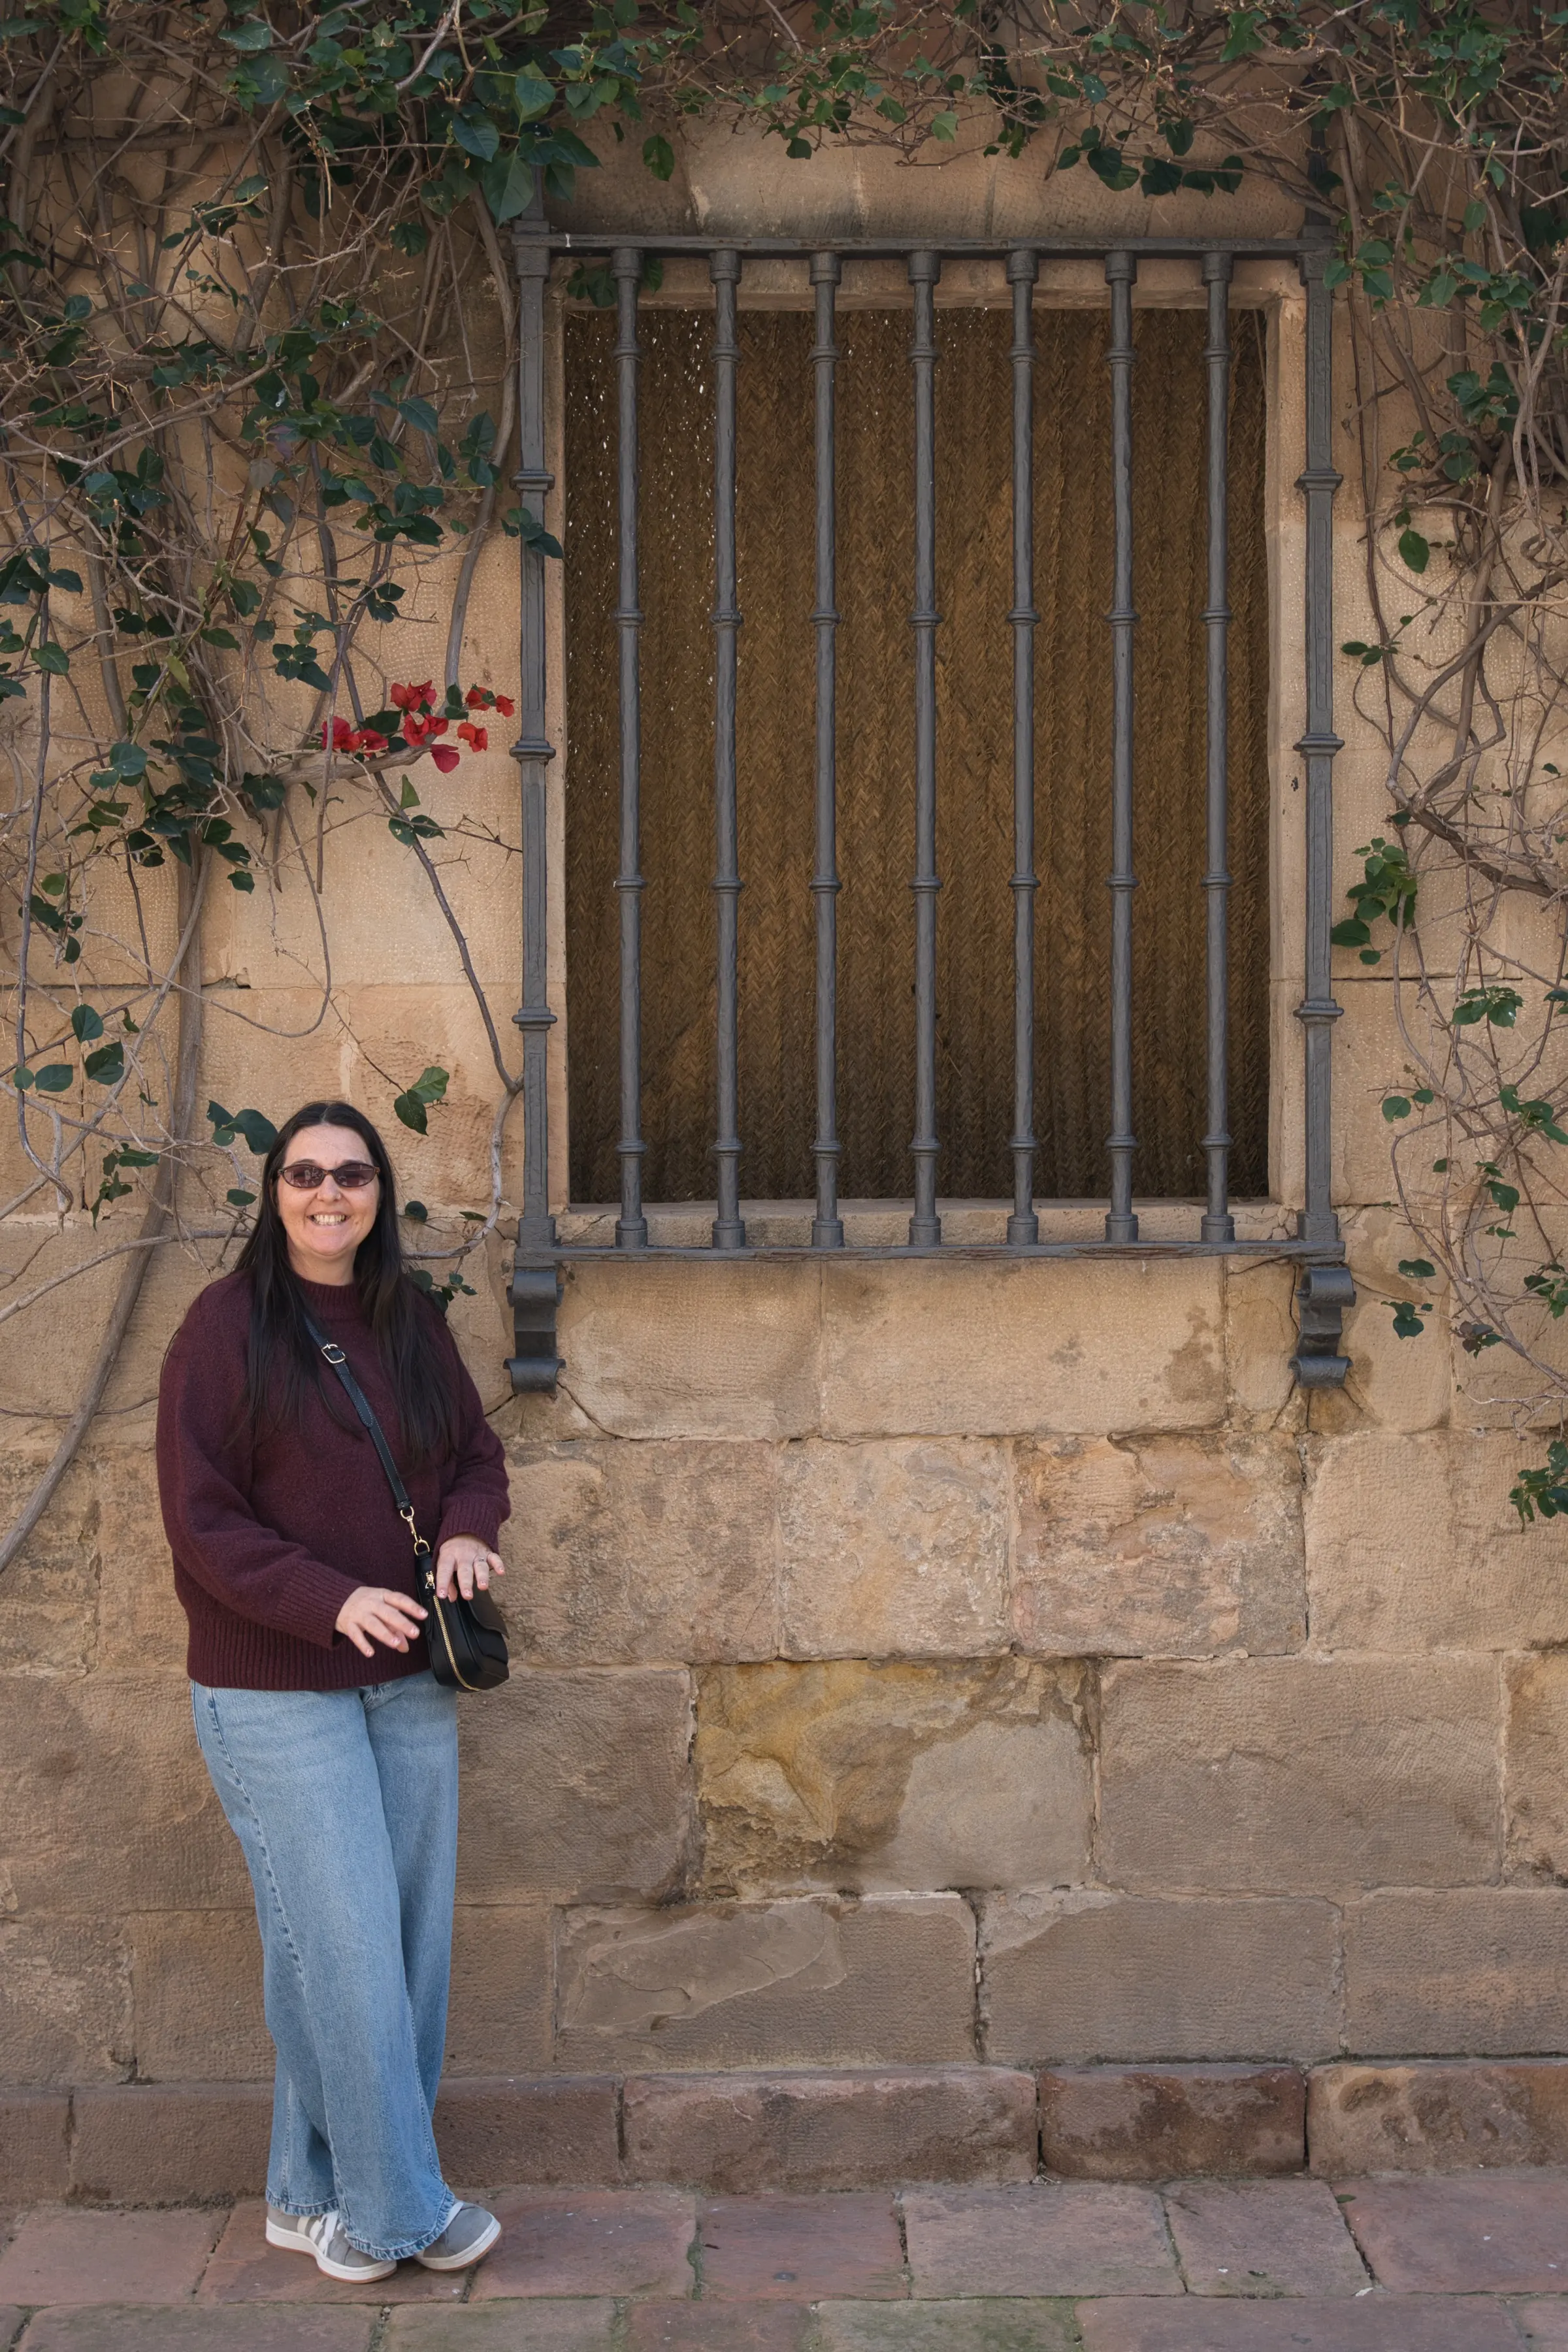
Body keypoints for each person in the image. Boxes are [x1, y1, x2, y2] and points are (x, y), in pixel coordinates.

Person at [156, 1100, 510, 2283]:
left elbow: (472, 1456)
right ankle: (397, 2212)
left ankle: (306, 2189)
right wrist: (329, 1600)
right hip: (274, 1694)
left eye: (351, 1174)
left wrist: (467, 1533)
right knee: (345, 1952)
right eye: (304, 1173)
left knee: (395, 1955)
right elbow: (203, 1524)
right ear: (274, 1192)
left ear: (377, 1195)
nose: (328, 1193)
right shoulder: (222, 1330)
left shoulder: (410, 1320)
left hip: (409, 1682)